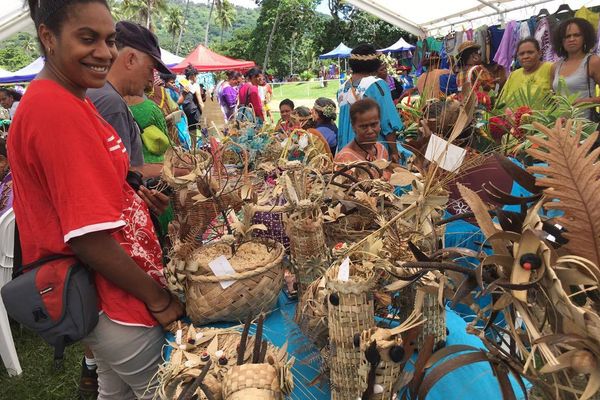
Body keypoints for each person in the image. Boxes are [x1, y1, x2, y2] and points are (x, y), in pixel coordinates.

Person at [9, 2, 184, 400]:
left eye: (109, 40)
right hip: (114, 299)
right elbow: (87, 238)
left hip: (114, 293)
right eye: (87, 38)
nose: (104, 52)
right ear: (48, 38)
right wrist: (158, 299)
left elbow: (92, 188)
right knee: (170, 392)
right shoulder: (54, 109)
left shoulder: (74, 97)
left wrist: (134, 199)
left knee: (114, 393)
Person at [88, 21, 171, 179]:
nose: (150, 80)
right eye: (150, 69)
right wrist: (172, 172)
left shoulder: (97, 92)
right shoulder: (111, 103)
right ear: (131, 60)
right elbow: (121, 177)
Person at [337, 44, 403, 161]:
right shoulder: (376, 84)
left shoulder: (342, 89)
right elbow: (387, 121)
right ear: (374, 64)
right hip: (372, 151)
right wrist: (394, 151)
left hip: (348, 153)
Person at [551, 17, 600, 119]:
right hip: (560, 128)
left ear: (585, 37)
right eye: (567, 36)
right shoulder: (555, 66)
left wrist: (587, 101)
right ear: (561, 40)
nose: (571, 39)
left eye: (577, 35)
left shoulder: (593, 61)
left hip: (584, 127)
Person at [498, 38, 553, 108]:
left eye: (530, 52)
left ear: (539, 53)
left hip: (540, 118)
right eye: (521, 54)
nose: (525, 56)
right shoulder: (514, 74)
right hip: (510, 118)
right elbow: (501, 102)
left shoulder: (550, 68)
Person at [180, 65, 203, 135]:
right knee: (196, 134)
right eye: (196, 76)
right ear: (192, 76)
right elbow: (200, 102)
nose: (196, 78)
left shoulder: (181, 83)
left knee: (188, 132)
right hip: (194, 114)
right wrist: (202, 114)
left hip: (184, 113)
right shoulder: (195, 85)